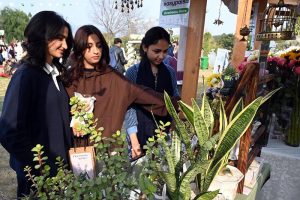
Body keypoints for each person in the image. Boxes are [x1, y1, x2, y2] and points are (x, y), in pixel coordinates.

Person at [0, 11, 73, 198]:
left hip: (60, 171)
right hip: (38, 177)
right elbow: (9, 132)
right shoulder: (26, 76)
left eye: (66, 39)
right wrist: (41, 168)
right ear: (42, 36)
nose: (65, 45)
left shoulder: (54, 74)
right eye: (59, 38)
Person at [64, 25, 177, 140]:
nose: (96, 51)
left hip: (108, 148)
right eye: (89, 46)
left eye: (99, 46)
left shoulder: (113, 77)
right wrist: (75, 120)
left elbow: (142, 94)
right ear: (80, 47)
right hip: (78, 148)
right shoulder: (70, 78)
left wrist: (175, 104)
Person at [124, 26, 180, 160]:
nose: (161, 56)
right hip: (139, 134)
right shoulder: (133, 72)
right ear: (145, 47)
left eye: (165, 51)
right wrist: (134, 140)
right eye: (157, 51)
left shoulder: (170, 72)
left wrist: (173, 126)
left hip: (164, 133)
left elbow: (174, 101)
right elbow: (128, 107)